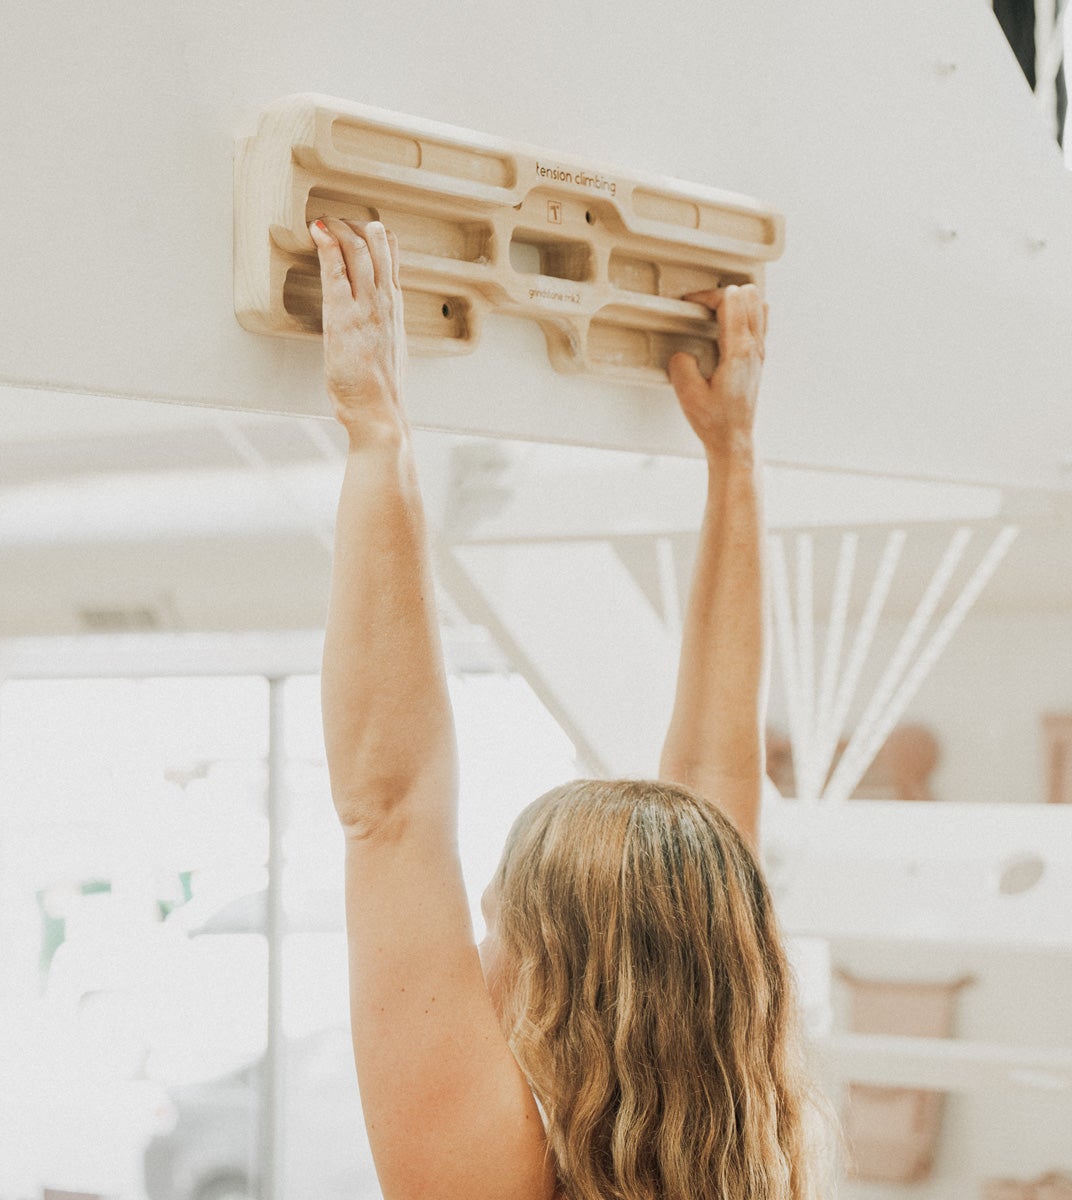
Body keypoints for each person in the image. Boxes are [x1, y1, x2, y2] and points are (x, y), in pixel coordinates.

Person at [306, 216, 826, 1200]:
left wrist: (380, 432)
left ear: (561, 981)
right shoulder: (752, 1163)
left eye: (500, 925)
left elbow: (396, 812)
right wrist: (735, 458)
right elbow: (717, 781)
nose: (478, 952)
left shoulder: (500, 1178)